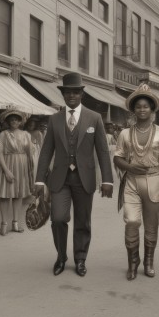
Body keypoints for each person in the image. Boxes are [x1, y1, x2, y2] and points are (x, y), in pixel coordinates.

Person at [35, 72, 114, 277]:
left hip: (84, 178)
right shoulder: (54, 119)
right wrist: (39, 179)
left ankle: (80, 259)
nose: (72, 96)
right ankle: (61, 256)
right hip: (60, 178)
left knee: (83, 221)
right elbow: (46, 151)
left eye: (76, 92)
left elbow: (103, 151)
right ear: (63, 95)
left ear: (81, 94)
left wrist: (107, 179)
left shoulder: (94, 118)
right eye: (68, 92)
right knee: (58, 218)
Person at [113, 84, 159, 280]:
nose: (142, 109)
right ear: (133, 110)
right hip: (132, 182)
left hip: (155, 181)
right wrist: (129, 168)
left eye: (146, 106)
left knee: (152, 226)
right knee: (132, 221)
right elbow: (117, 158)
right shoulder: (125, 134)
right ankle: (132, 262)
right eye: (138, 106)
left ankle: (149, 261)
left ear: (152, 110)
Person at [0, 110, 34, 235]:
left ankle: (15, 223)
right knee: (4, 195)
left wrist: (30, 171)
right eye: (12, 120)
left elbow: (30, 154)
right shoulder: (4, 134)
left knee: (18, 194)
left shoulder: (26, 134)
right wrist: (6, 171)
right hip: (7, 164)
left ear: (20, 122)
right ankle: (4, 223)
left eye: (16, 119)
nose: (14, 121)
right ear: (8, 122)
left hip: (22, 165)